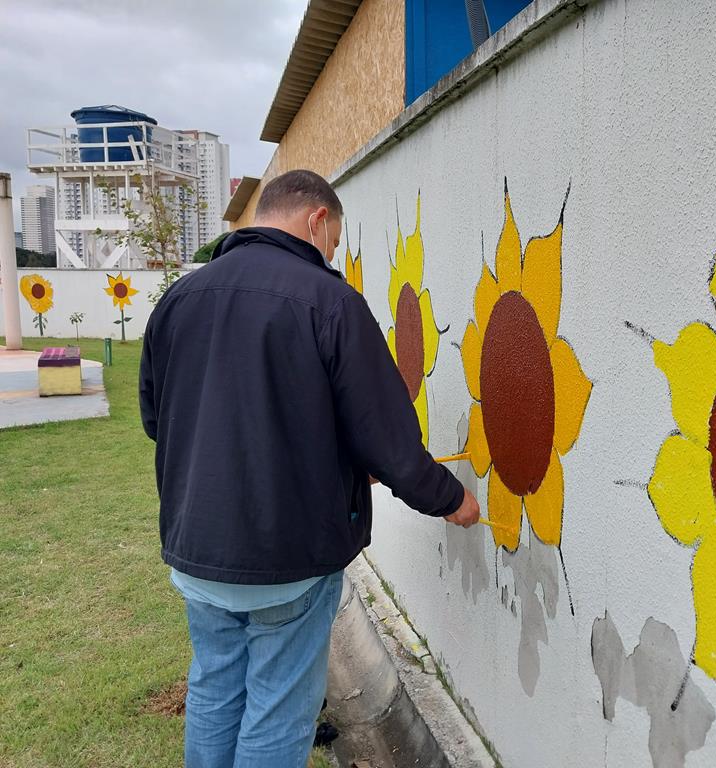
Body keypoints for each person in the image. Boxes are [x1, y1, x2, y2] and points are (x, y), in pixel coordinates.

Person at [139, 169, 480, 767]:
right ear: (316, 220)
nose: (332, 255)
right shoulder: (331, 301)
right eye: (335, 241)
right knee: (277, 709)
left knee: (216, 690)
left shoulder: (179, 299)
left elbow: (158, 419)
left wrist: (333, 460)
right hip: (286, 561)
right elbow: (386, 436)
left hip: (197, 546)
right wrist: (450, 498)